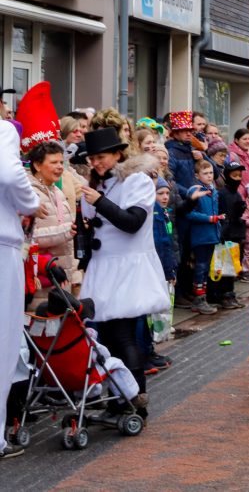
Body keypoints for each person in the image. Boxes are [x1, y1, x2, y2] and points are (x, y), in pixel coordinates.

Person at [77, 129, 171, 418]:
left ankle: (135, 400)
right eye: (92, 158)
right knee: (103, 336)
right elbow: (95, 227)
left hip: (128, 268)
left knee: (124, 335)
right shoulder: (101, 185)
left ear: (118, 154)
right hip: (103, 268)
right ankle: (118, 398)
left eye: (101, 157)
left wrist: (98, 203)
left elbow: (132, 222)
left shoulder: (137, 181)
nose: (96, 163)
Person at [0, 119, 41, 459]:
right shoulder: (3, 130)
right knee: (3, 340)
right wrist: (29, 203)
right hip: (1, 244)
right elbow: (11, 175)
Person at [26, 141, 78, 290]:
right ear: (37, 165)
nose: (60, 167)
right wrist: (66, 231)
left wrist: (75, 276)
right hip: (41, 280)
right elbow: (27, 238)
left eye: (61, 162)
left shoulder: (58, 192)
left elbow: (69, 241)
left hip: (63, 280)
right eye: (54, 162)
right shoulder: (28, 194)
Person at [185, 159, 225, 315]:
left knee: (206, 267)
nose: (209, 176)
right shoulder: (195, 191)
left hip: (212, 234)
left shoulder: (213, 190)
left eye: (211, 173)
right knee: (200, 267)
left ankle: (203, 298)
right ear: (197, 175)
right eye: (205, 173)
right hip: (201, 235)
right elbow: (189, 213)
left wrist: (217, 221)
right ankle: (199, 299)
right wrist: (209, 219)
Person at [213, 161, 247, 310]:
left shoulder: (237, 194)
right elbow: (223, 215)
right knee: (225, 267)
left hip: (236, 233)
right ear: (227, 176)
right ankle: (224, 295)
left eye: (240, 175)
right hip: (226, 235)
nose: (238, 178)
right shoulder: (222, 194)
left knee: (233, 266)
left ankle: (230, 293)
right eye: (234, 175)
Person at [228, 128, 249, 198]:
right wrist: (243, 199)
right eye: (244, 139)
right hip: (241, 199)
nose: (248, 141)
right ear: (236, 140)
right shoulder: (232, 156)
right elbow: (233, 181)